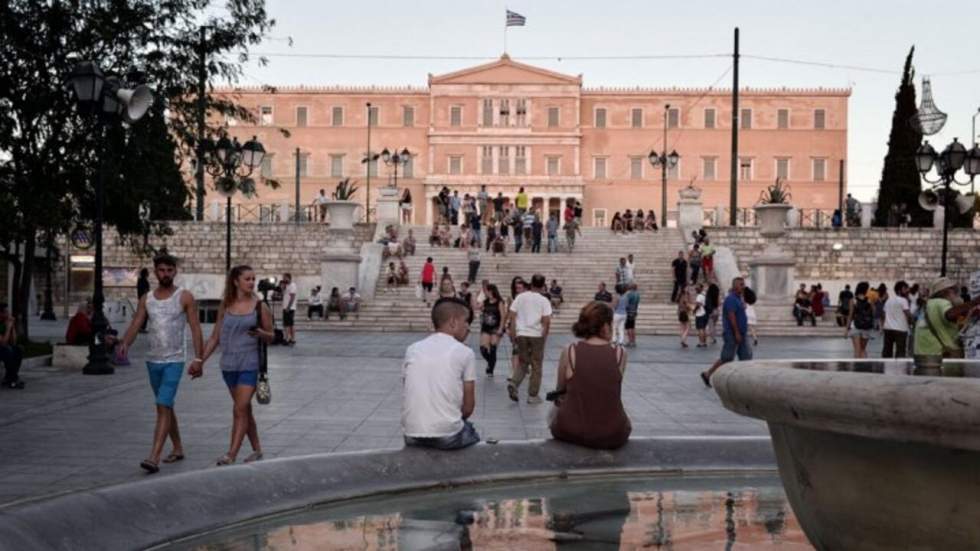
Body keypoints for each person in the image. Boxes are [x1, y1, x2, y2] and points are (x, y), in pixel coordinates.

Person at [117, 253, 205, 474]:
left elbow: (195, 328)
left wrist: (198, 358)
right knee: (166, 405)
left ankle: (153, 457)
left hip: (174, 360)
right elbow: (137, 321)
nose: (165, 274)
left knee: (162, 405)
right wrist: (125, 342)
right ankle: (177, 448)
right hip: (153, 361)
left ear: (175, 271)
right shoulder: (147, 298)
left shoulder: (184, 297)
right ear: (155, 271)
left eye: (169, 270)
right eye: (161, 270)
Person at [199, 265, 274, 466]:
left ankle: (231, 454)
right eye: (247, 279)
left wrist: (262, 334)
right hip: (228, 364)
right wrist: (200, 361)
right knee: (245, 410)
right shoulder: (226, 305)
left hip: (250, 363)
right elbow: (215, 337)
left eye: (253, 279)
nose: (251, 282)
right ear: (236, 281)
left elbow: (272, 335)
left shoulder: (260, 307)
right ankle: (257, 449)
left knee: (239, 409)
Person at [549, 301, 631, 450]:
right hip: (612, 433)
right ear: (605, 326)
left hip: (571, 430)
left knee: (553, 412)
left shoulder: (570, 350)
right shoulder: (620, 353)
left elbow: (560, 389)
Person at [402, 298, 479, 450]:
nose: (468, 327)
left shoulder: (412, 349)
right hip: (447, 436)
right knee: (471, 432)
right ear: (453, 322)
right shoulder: (465, 353)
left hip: (411, 434)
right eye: (466, 321)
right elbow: (468, 407)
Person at [507, 274, 552, 404]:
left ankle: (514, 383)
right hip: (536, 335)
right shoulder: (544, 301)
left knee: (523, 362)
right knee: (536, 365)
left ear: (531, 284)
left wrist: (513, 333)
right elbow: (546, 321)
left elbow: (512, 316)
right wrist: (544, 337)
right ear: (543, 286)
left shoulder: (521, 297)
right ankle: (532, 395)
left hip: (521, 334)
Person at [701, 277, 752, 387]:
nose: (743, 287)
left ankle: (743, 381)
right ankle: (708, 374)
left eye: (743, 284)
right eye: (741, 285)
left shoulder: (739, 299)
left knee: (746, 358)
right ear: (734, 286)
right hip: (732, 333)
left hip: (742, 333)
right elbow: (731, 317)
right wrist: (737, 333)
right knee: (727, 357)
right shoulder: (731, 299)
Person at [914, 277, 980, 361]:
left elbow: (954, 319)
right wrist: (975, 302)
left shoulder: (929, 305)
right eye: (955, 292)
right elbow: (950, 314)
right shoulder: (941, 302)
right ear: (946, 291)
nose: (957, 295)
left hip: (923, 354)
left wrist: (972, 313)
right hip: (937, 355)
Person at [478, 284, 506, 377]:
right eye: (487, 291)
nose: (488, 293)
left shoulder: (499, 302)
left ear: (493, 291)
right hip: (486, 327)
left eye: (489, 291)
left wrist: (501, 328)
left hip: (496, 327)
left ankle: (490, 370)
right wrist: (476, 295)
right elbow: (477, 307)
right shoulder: (485, 301)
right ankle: (491, 362)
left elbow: (503, 316)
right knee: (483, 349)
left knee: (493, 348)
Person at [882, 280, 912, 358]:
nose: (907, 291)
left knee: (887, 351)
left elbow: (884, 314)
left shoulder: (888, 300)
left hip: (888, 328)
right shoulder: (903, 300)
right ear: (899, 290)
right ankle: (900, 368)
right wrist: (913, 321)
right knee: (900, 352)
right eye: (905, 289)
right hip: (900, 329)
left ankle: (886, 367)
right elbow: (908, 314)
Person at [845, 281, 874, 358]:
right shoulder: (869, 300)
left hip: (856, 326)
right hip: (867, 326)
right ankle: (864, 367)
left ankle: (856, 367)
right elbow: (873, 312)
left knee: (857, 349)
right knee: (863, 349)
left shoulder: (853, 300)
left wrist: (846, 329)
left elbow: (850, 315)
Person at [0, 304, 24, 389]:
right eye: (6, 312)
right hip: (2, 347)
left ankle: (9, 377)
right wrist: (8, 328)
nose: (8, 314)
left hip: (3, 348)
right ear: (1, 314)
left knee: (18, 349)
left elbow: (14, 341)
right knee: (7, 350)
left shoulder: (5, 323)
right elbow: (3, 342)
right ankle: (13, 378)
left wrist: (12, 326)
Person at [280, 273, 297, 346]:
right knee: (286, 324)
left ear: (289, 278)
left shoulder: (293, 285)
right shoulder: (286, 286)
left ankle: (292, 339)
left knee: (290, 324)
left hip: (290, 308)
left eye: (285, 278)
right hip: (285, 307)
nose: (283, 279)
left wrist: (288, 307)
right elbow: (283, 294)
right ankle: (287, 338)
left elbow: (292, 297)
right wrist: (282, 287)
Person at [625, 282, 641, 348]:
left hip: (628, 311)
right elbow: (637, 304)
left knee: (628, 327)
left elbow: (626, 303)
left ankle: (630, 341)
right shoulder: (637, 294)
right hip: (634, 311)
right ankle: (634, 341)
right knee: (633, 327)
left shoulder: (628, 294)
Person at [137, 268, 150, 332]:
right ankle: (142, 327)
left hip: (141, 298)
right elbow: (145, 291)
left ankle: (141, 327)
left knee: (143, 314)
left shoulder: (140, 280)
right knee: (145, 314)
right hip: (144, 299)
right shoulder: (144, 281)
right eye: (147, 272)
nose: (148, 273)